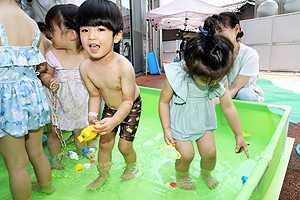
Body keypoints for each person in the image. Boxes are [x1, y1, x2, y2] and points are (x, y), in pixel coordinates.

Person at [159, 19, 249, 190]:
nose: (211, 84)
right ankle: (182, 175)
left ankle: (206, 173)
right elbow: (163, 101)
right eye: (206, 80)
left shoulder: (215, 78)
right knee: (186, 155)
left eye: (216, 79)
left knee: (210, 153)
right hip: (181, 123)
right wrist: (166, 128)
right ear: (188, 67)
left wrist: (238, 134)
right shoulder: (177, 77)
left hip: (203, 121)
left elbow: (228, 106)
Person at [77, 0, 142, 190]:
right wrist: (92, 116)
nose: (91, 37)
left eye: (100, 29)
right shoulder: (85, 67)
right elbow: (95, 95)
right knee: (104, 144)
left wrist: (113, 122)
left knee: (124, 146)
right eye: (85, 30)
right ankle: (102, 175)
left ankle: (131, 167)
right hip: (111, 106)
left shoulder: (124, 67)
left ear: (117, 36)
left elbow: (128, 100)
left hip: (130, 105)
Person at [0, 0, 55, 199]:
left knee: (16, 164)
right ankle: (47, 188)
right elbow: (41, 65)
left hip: (7, 99)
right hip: (32, 94)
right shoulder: (31, 23)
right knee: (37, 151)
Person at [40, 4, 94, 170]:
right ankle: (56, 159)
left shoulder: (86, 53)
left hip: (79, 102)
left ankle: (81, 150)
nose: (49, 35)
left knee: (80, 130)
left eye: (53, 30)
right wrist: (49, 81)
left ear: (71, 34)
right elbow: (45, 74)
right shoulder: (52, 53)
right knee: (54, 133)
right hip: (58, 102)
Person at [204, 12, 264, 106]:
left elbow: (235, 88)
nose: (216, 36)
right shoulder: (214, 52)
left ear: (236, 29)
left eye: (220, 30)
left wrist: (216, 101)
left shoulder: (249, 55)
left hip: (240, 93)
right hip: (220, 92)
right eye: (214, 32)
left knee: (245, 95)